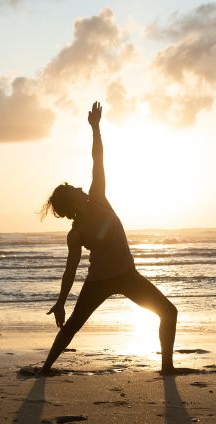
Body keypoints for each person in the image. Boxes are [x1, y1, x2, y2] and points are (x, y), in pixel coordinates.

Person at [39, 101, 178, 375]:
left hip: (128, 275)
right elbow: (70, 270)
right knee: (72, 326)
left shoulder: (99, 197)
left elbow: (97, 158)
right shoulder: (76, 234)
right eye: (74, 188)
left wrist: (96, 128)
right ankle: (44, 370)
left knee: (169, 312)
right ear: (73, 200)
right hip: (98, 283)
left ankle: (167, 367)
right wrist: (60, 301)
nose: (80, 186)